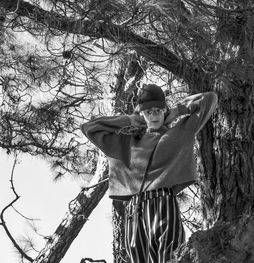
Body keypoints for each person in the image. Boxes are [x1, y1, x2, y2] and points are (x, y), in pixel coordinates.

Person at [81, 84, 217, 263]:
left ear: (164, 111)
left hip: (162, 203)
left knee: (169, 258)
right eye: (148, 112)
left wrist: (175, 112)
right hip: (133, 210)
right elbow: (89, 127)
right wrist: (132, 120)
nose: (154, 116)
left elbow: (209, 99)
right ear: (142, 114)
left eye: (158, 110)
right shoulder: (125, 141)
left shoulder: (179, 133)